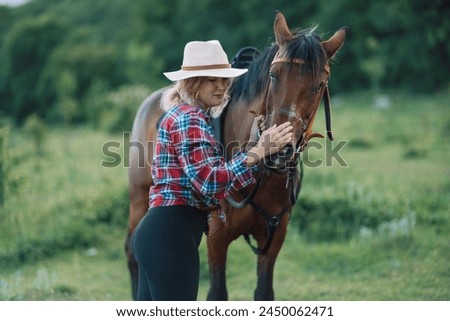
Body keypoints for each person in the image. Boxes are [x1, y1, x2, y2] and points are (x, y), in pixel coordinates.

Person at [131, 40, 293, 301]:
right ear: (192, 83)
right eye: (211, 80)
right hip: (171, 234)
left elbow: (206, 177)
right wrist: (258, 152)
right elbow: (209, 182)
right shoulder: (190, 118)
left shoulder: (183, 115)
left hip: (162, 232)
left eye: (224, 80)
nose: (221, 87)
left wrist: (255, 145)